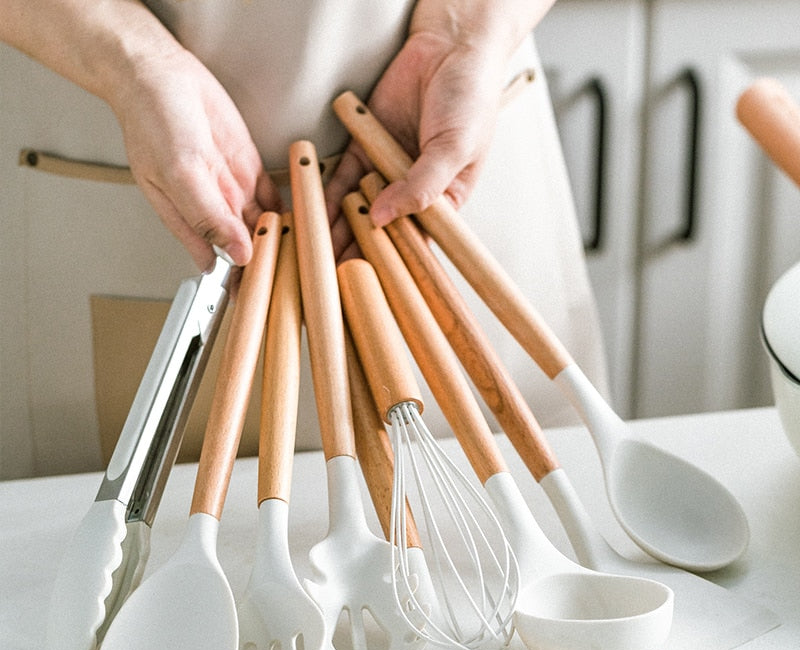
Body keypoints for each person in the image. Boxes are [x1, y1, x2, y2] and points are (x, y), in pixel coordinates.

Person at [0, 0, 609, 452]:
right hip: (139, 168)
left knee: (518, 496)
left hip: (443, 143)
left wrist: (465, 31)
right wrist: (135, 61)